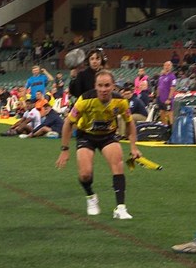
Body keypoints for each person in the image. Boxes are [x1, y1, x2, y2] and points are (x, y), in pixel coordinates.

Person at [56, 70, 142, 219]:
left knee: (118, 165)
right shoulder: (85, 99)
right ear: (95, 86)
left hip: (108, 136)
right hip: (86, 136)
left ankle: (120, 208)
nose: (103, 89)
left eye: (107, 85)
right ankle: (91, 196)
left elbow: (130, 123)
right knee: (85, 174)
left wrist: (134, 147)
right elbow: (68, 123)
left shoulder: (120, 101)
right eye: (100, 85)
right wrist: (64, 149)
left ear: (113, 86)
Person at [157, 61, 177, 126]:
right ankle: (164, 128)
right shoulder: (161, 76)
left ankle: (172, 129)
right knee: (161, 113)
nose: (166, 67)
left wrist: (169, 98)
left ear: (171, 67)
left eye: (168, 65)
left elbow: (172, 88)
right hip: (161, 99)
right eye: (165, 65)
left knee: (169, 114)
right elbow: (159, 87)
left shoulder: (172, 77)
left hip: (168, 99)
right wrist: (157, 96)